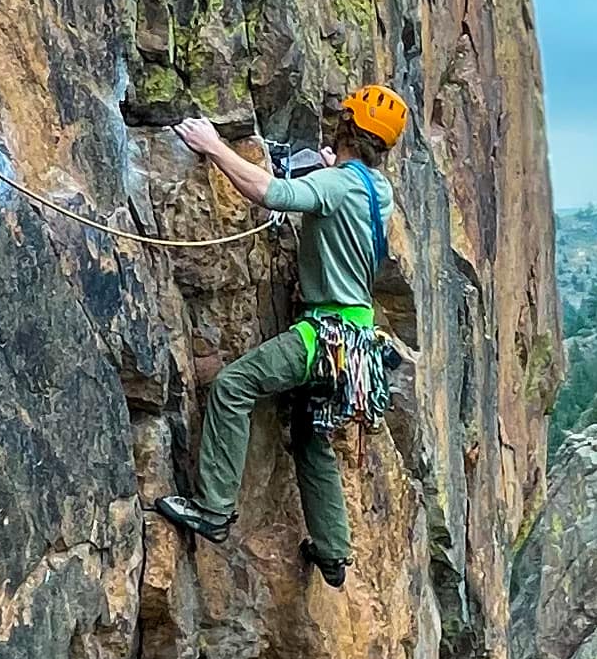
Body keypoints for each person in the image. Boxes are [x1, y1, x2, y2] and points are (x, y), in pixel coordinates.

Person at [155, 86, 408, 589]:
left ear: (346, 129)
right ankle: (333, 552)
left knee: (233, 386)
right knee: (312, 437)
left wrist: (214, 146)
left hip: (325, 336)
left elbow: (269, 193)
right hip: (357, 345)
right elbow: (344, 190)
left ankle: (214, 509)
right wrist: (334, 169)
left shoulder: (337, 185)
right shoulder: (380, 191)